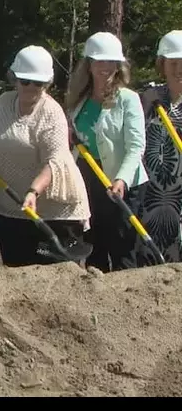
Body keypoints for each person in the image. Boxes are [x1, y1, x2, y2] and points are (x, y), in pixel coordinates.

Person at [0, 45, 91, 267]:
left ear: (47, 83)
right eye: (25, 81)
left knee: (56, 278)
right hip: (8, 205)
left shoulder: (52, 113)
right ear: (15, 79)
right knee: (16, 272)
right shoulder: (3, 103)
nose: (30, 87)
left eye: (38, 83)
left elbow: (54, 161)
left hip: (54, 210)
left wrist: (33, 192)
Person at [65, 31, 148, 272]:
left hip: (124, 184)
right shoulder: (78, 100)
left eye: (111, 62)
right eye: (100, 61)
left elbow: (136, 146)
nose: (106, 67)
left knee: (123, 247)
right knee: (94, 245)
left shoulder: (128, 100)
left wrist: (121, 178)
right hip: (90, 181)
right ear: (89, 64)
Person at [136, 30, 182, 264]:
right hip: (151, 196)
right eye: (173, 63)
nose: (178, 70)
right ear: (162, 65)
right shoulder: (148, 98)